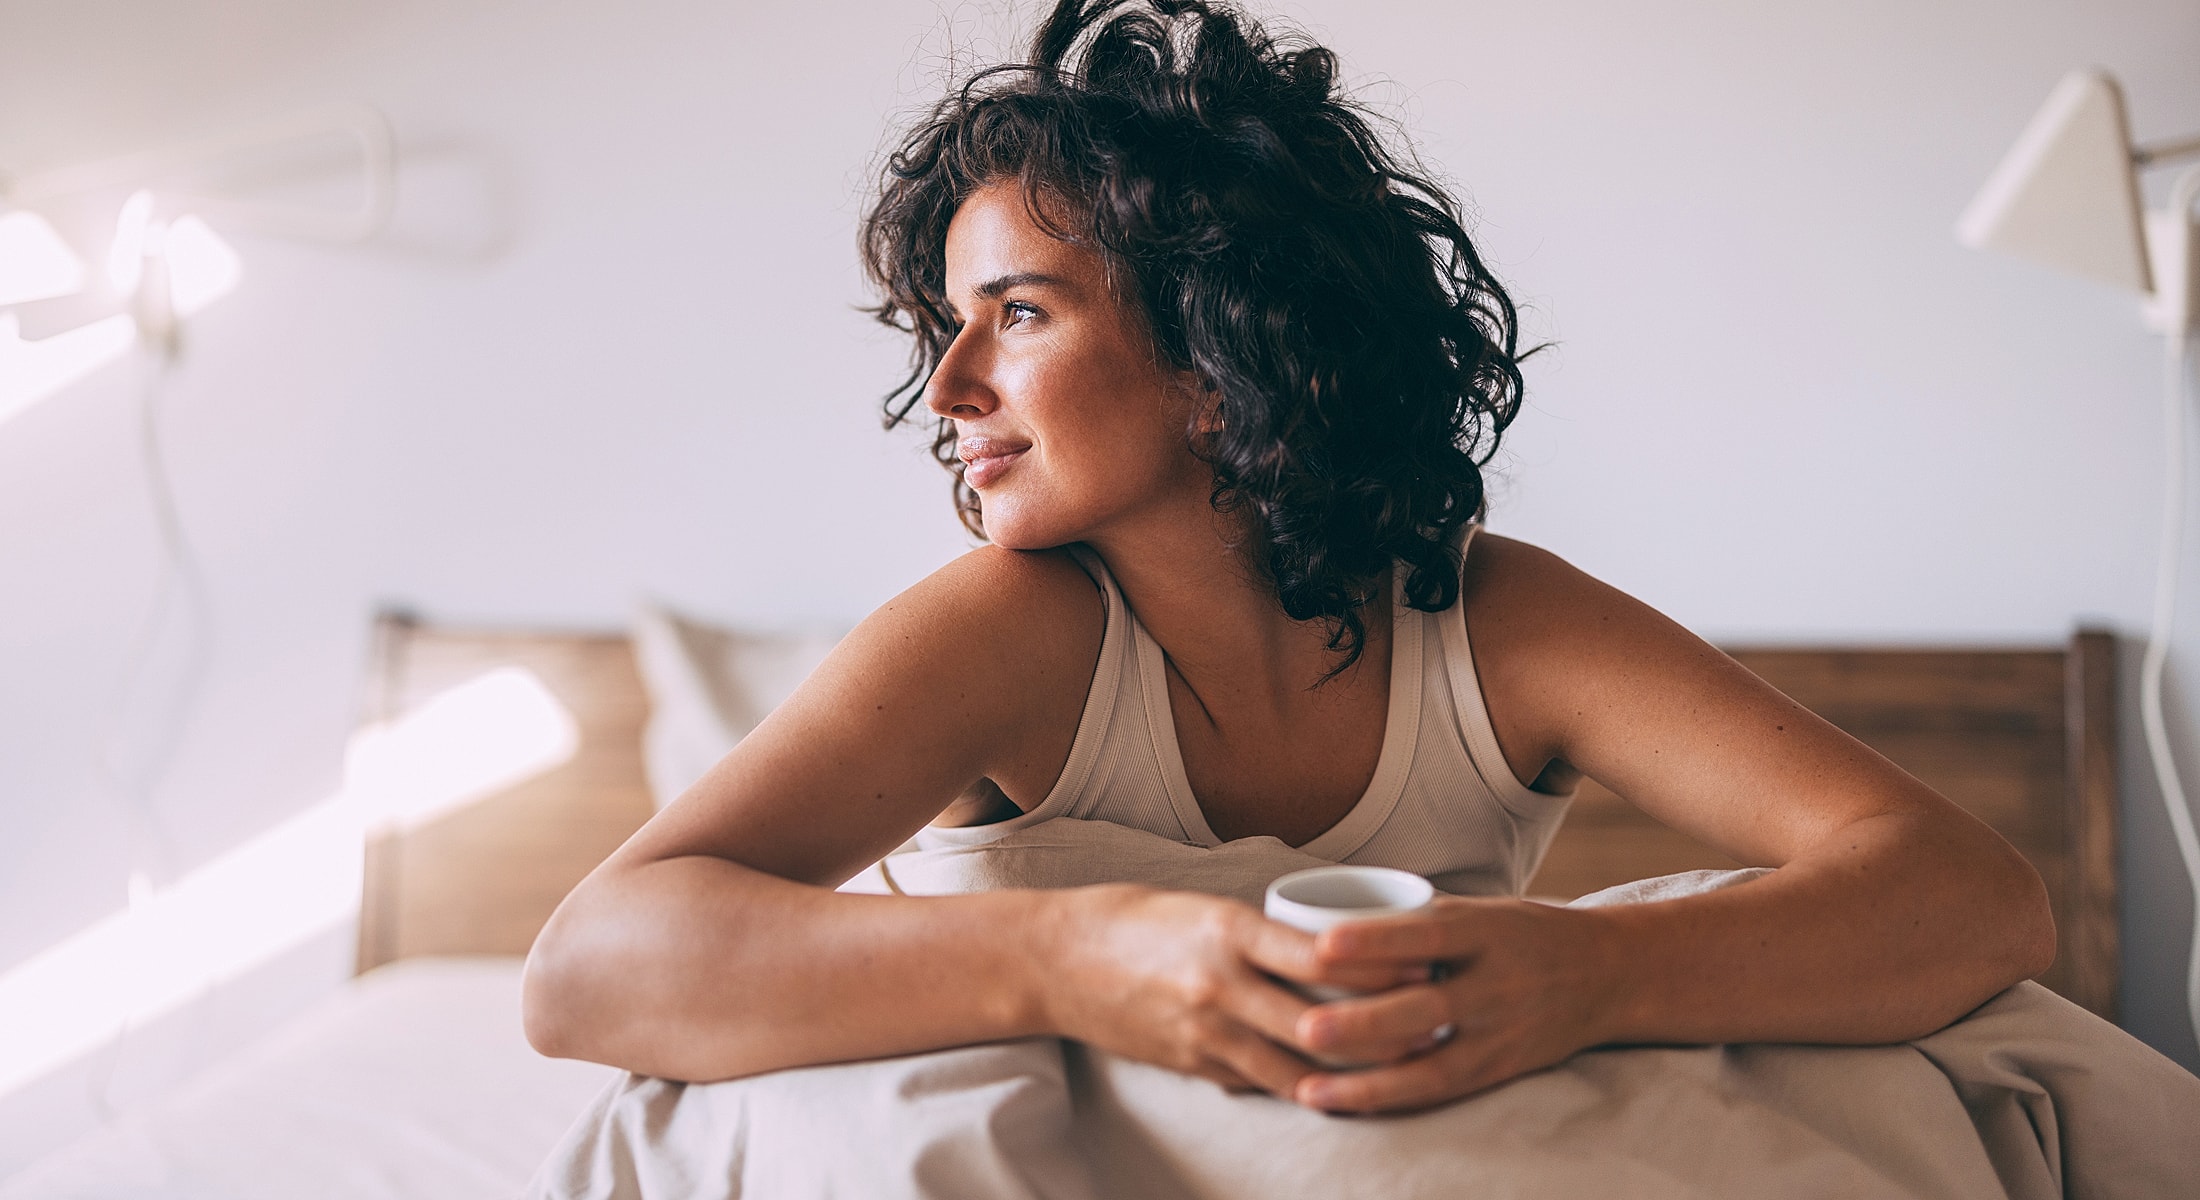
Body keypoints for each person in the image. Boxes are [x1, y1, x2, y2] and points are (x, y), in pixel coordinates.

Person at [521, 0, 2054, 1115]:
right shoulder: (1008, 632)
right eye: (948, 323)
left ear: (1213, 348)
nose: (947, 387)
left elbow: (1974, 899)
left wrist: (1595, 973)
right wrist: (1073, 956)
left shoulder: (1492, 622)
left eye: (1021, 312)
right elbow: (586, 969)